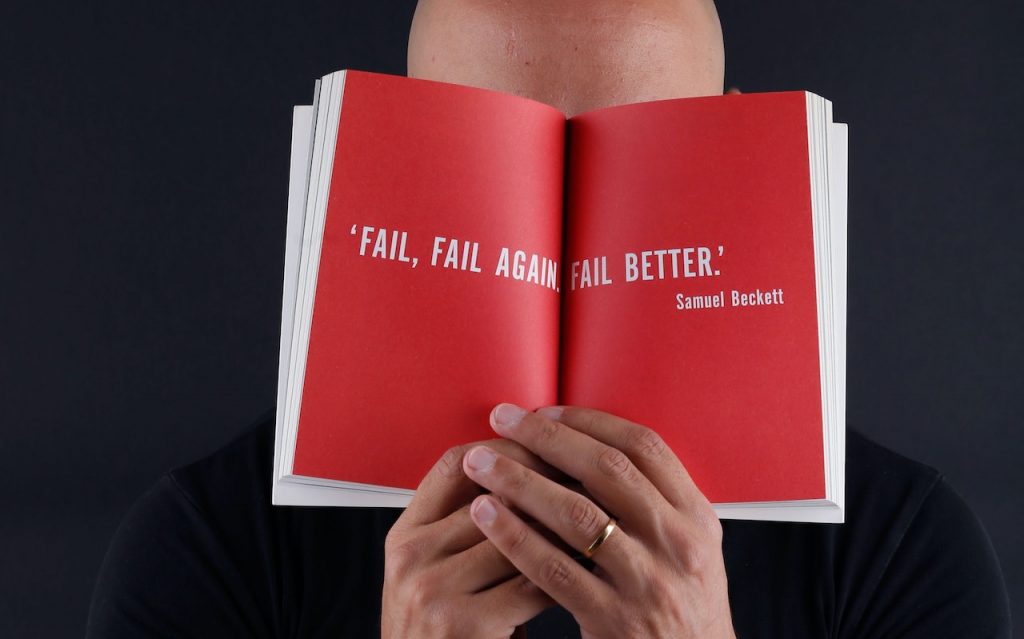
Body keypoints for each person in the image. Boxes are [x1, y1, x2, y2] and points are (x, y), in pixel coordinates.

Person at [86, 0, 1012, 637]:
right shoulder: (202, 549)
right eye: (499, 162)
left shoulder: (907, 551)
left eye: (634, 169)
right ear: (402, 151)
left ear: (738, 156)